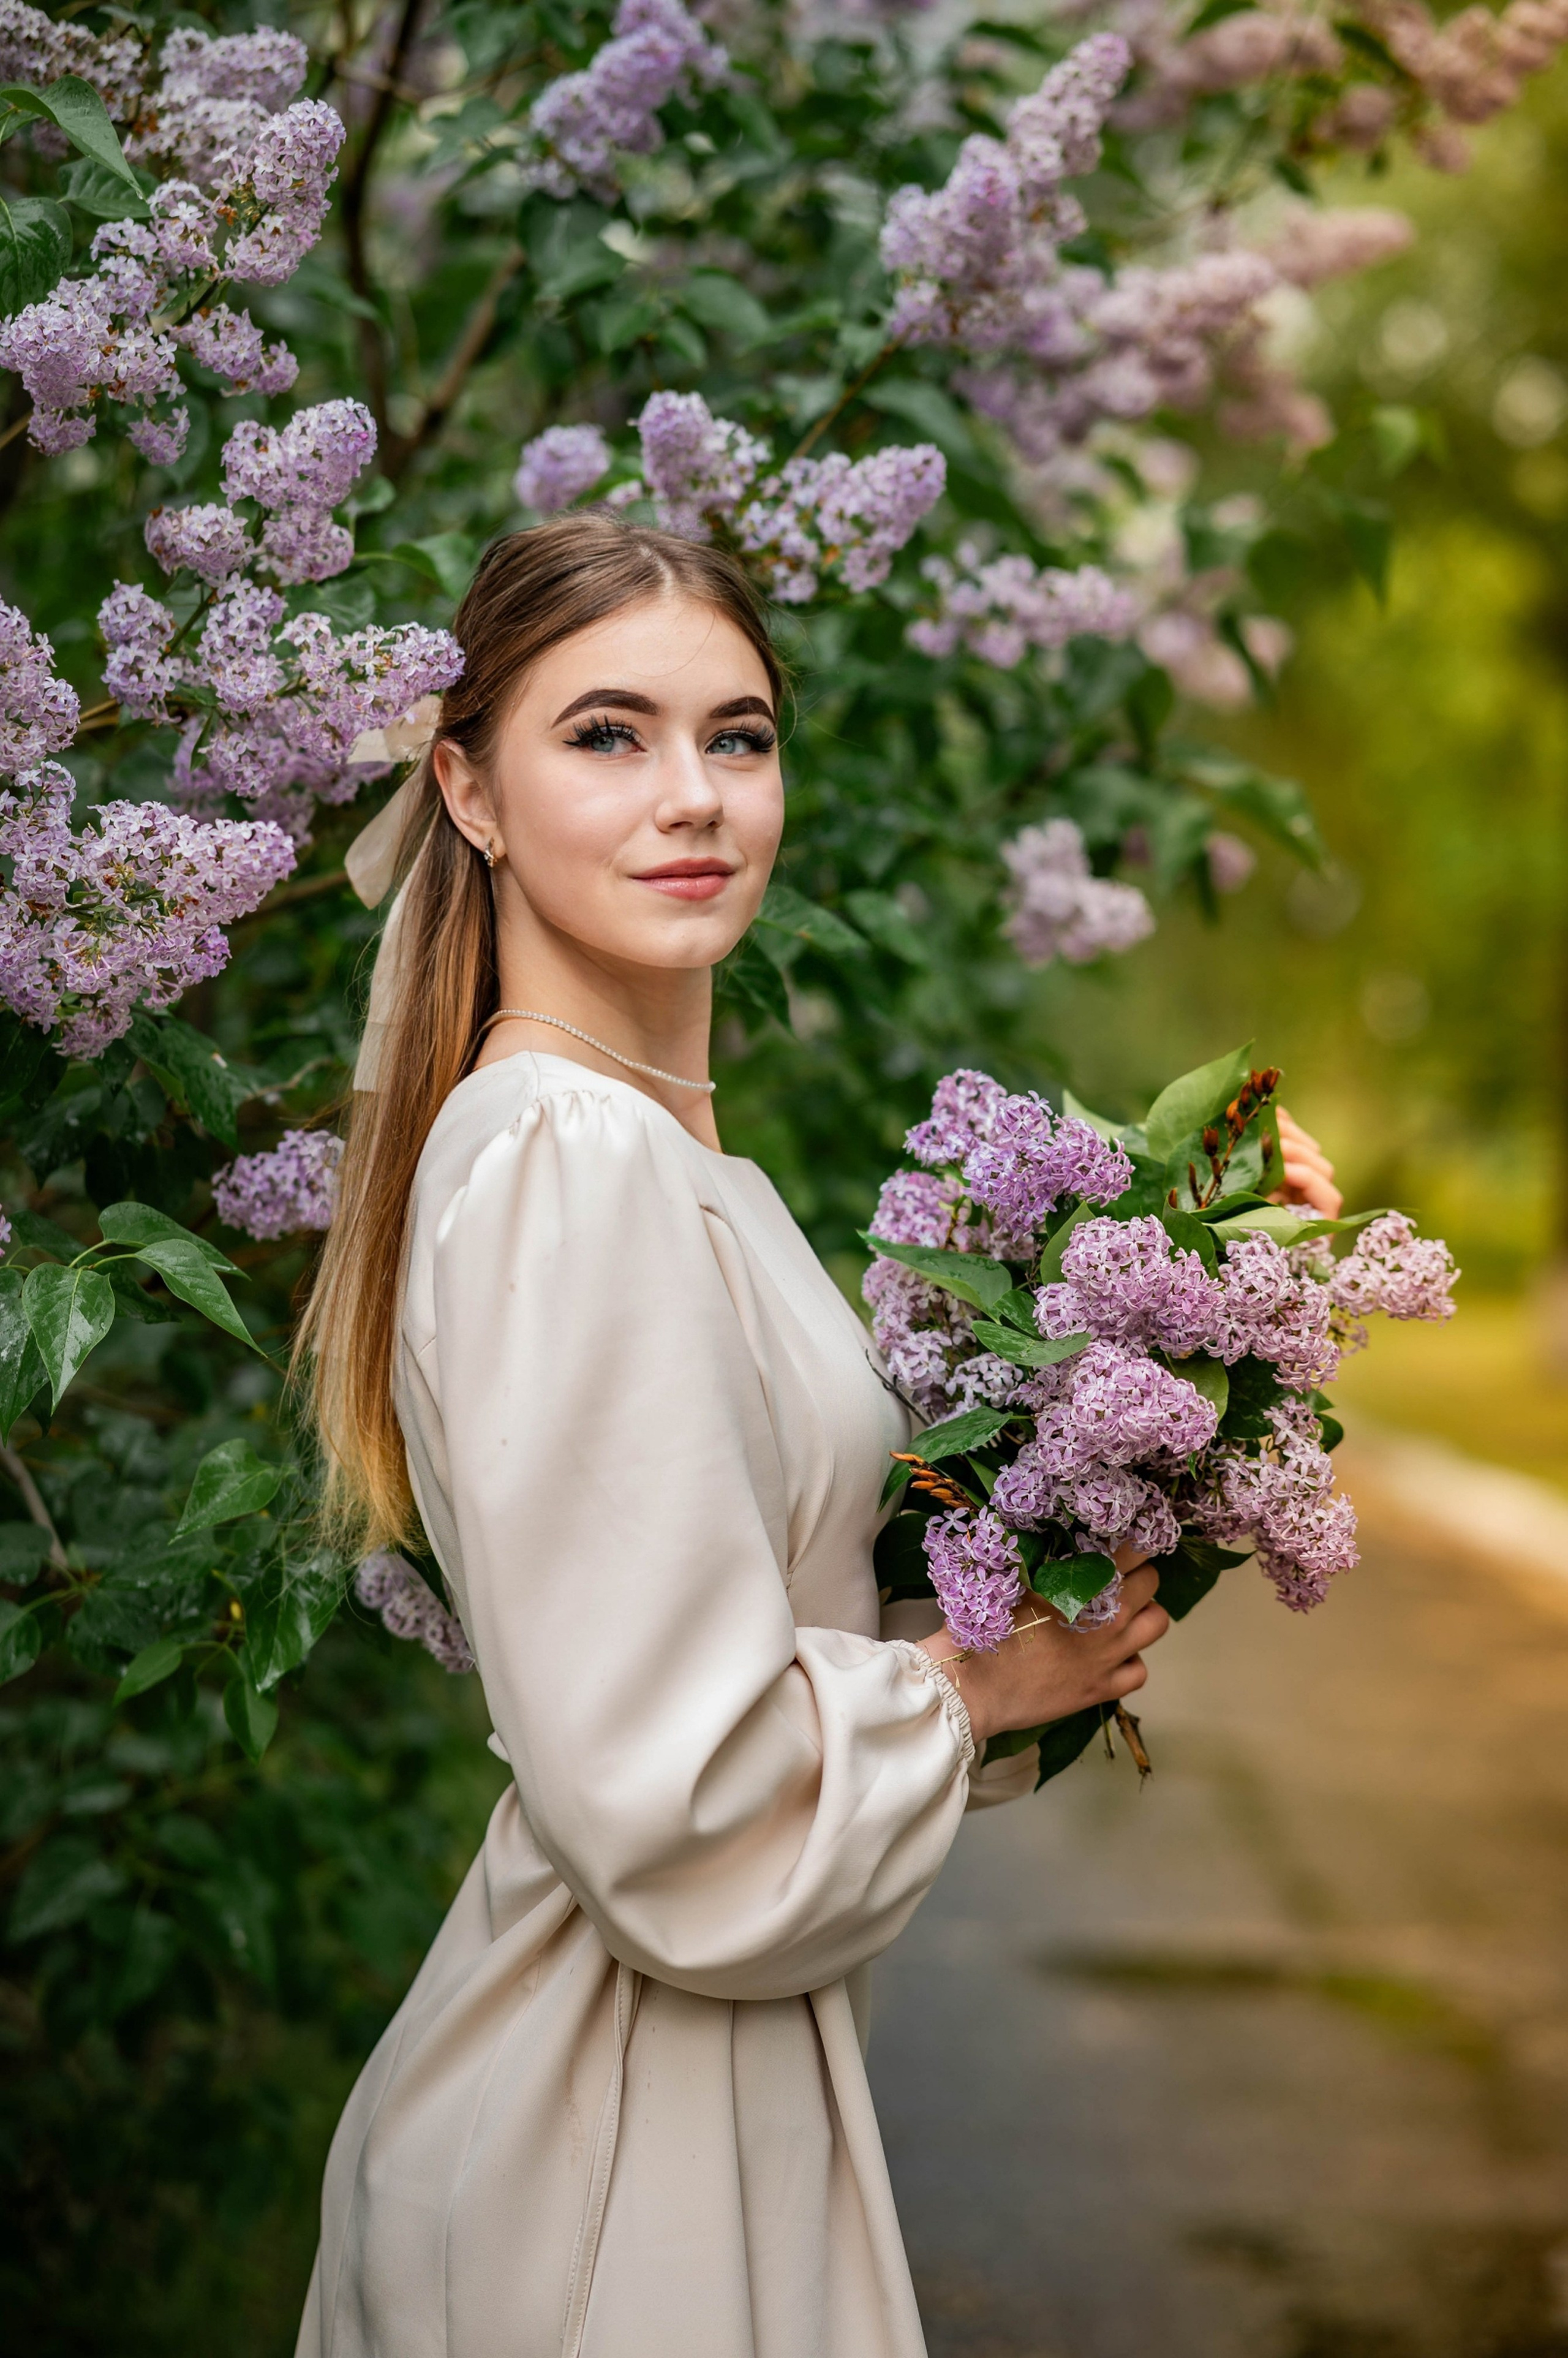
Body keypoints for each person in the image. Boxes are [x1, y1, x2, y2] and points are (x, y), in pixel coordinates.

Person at [292, 514, 1336, 2358]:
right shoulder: (569, 1161)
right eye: (606, 735)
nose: (692, 795)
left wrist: (1200, 1284)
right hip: (606, 2147)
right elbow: (679, 1799)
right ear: (466, 787)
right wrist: (971, 1687)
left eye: (740, 736)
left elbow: (817, 1607)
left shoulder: (682, 1166)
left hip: (704, 2090)